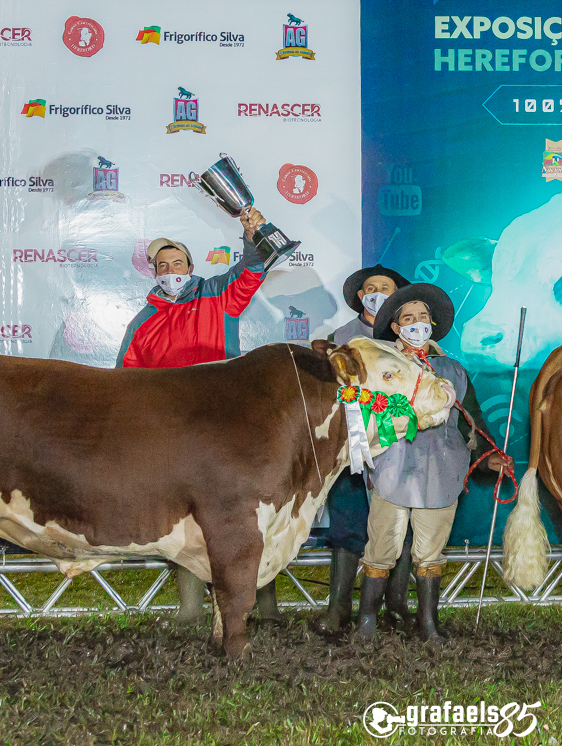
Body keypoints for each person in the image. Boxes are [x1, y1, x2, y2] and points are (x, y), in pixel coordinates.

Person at [116, 207, 281, 624]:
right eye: (162, 265)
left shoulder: (217, 294)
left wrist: (251, 234)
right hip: (174, 437)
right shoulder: (143, 323)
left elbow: (254, 268)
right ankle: (190, 607)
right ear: (154, 273)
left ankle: (266, 606)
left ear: (192, 266)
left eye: (177, 263)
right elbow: (124, 386)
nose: (171, 270)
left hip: (226, 427)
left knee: (244, 514)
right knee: (183, 517)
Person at [357, 284, 508, 642]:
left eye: (422, 317)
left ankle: (428, 625)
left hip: (441, 472)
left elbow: (471, 419)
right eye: (407, 319)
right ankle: (366, 622)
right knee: (382, 548)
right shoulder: (382, 365)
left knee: (430, 552)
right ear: (395, 328)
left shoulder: (452, 370)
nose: (416, 324)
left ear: (432, 324)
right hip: (392, 469)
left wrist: (490, 456)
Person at [312, 265, 413, 635]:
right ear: (359, 296)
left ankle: (395, 606)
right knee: (348, 522)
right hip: (353, 448)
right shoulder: (339, 338)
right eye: (370, 288)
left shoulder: (410, 337)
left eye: (385, 288)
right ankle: (338, 607)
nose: (376, 293)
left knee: (399, 527)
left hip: (401, 447)